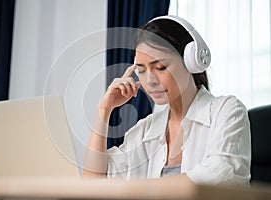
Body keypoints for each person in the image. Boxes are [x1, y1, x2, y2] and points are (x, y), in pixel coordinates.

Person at [83, 15, 251, 185]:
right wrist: (104, 111)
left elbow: (221, 172)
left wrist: (141, 190)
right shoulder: (145, 129)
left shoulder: (227, 110)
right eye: (141, 70)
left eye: (160, 67)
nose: (150, 80)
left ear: (191, 62)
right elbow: (94, 183)